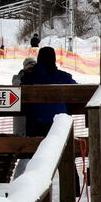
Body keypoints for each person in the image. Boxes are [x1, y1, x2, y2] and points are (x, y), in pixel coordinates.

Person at [21, 47, 79, 190]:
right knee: (65, 156)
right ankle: (73, 189)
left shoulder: (29, 77)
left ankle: (30, 191)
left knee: (34, 158)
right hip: (57, 123)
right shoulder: (63, 77)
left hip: (35, 123)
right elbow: (78, 91)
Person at [11, 57, 35, 179]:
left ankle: (22, 181)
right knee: (24, 154)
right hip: (23, 120)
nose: (31, 69)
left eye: (33, 67)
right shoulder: (19, 79)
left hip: (34, 120)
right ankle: (18, 182)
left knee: (30, 155)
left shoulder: (36, 77)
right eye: (29, 67)